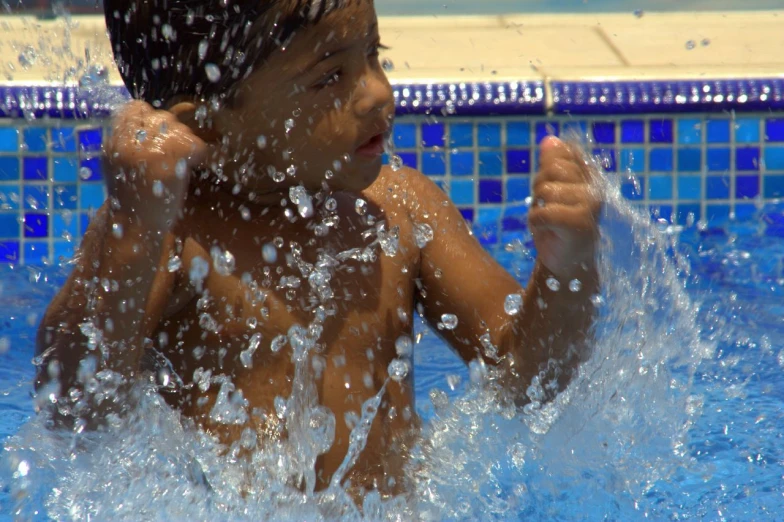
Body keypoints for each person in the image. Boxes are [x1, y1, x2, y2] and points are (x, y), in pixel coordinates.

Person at [35, 0, 600, 500]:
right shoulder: (165, 234)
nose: (378, 90)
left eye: (374, 52)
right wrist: (132, 231)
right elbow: (75, 404)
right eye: (330, 76)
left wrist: (566, 267)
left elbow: (525, 376)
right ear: (205, 122)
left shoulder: (400, 208)